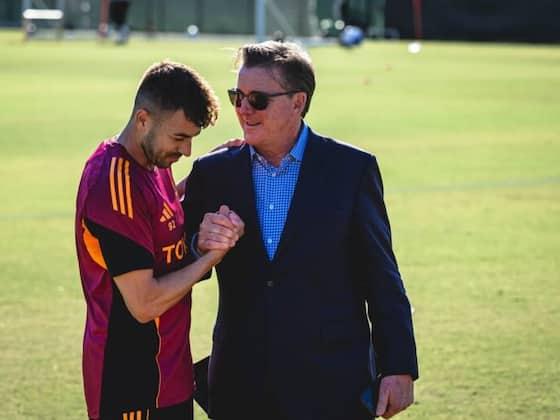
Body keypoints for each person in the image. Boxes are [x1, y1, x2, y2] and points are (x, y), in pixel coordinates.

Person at [182, 41, 418, 420]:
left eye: (258, 100)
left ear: (298, 102)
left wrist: (398, 366)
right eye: (237, 97)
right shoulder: (213, 172)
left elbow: (381, 276)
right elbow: (173, 259)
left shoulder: (351, 170)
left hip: (332, 385)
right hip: (240, 385)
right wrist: (198, 243)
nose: (243, 109)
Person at [74, 61, 244, 420]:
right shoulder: (113, 185)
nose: (186, 150)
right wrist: (209, 258)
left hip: (172, 376)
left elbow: (161, 214)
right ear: (143, 120)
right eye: (179, 138)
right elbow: (144, 303)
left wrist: (211, 168)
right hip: (133, 385)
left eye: (192, 139)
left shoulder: (152, 163)